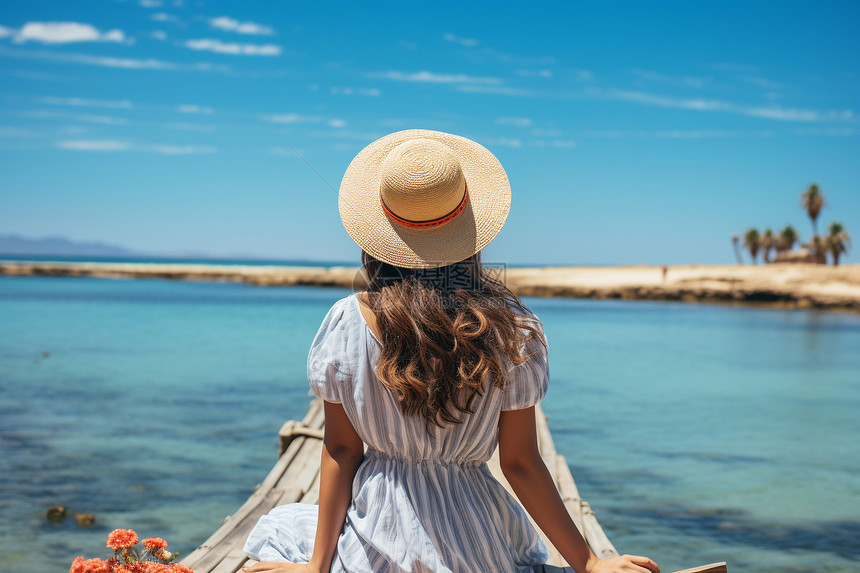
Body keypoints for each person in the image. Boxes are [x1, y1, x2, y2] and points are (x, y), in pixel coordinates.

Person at [242, 130, 660, 573]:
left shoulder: (347, 321)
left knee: (279, 530)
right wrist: (590, 562)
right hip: (479, 540)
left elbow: (343, 451)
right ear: (470, 234)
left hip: (378, 534)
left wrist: (317, 568)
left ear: (376, 237)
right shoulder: (512, 331)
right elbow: (519, 463)